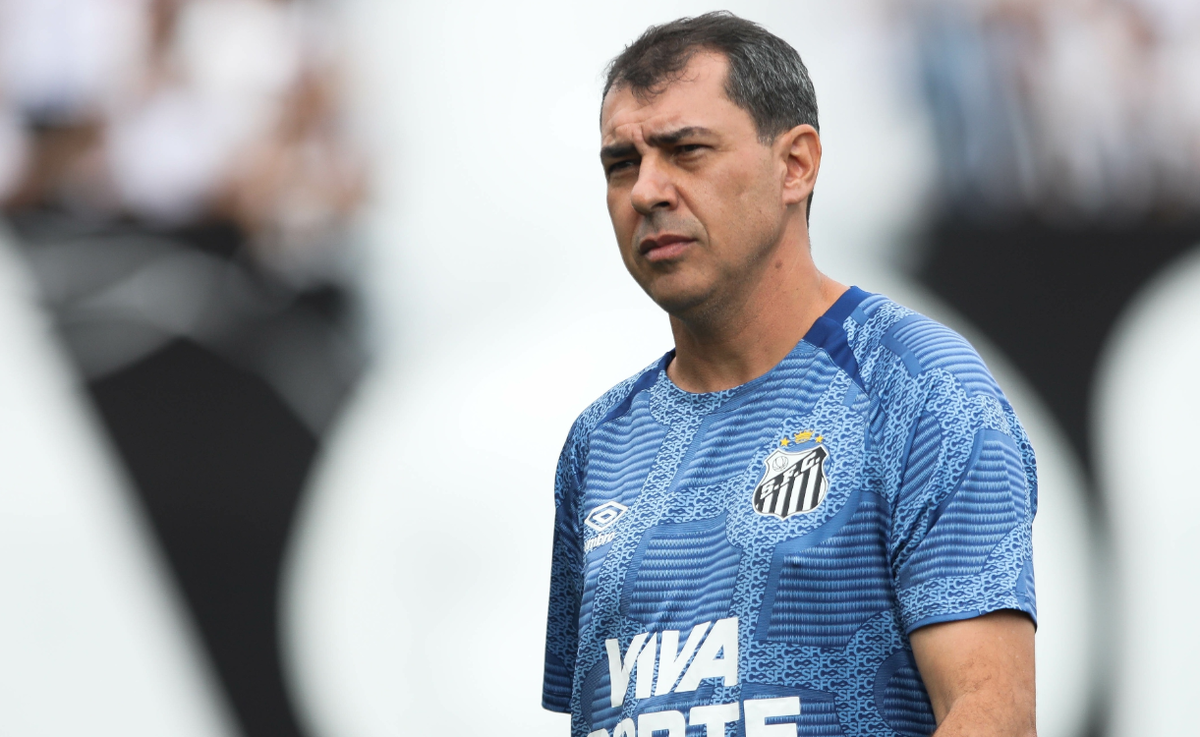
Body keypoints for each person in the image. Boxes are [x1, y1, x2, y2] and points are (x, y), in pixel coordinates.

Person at [542, 12, 1037, 737]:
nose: (646, 190)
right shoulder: (599, 441)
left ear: (796, 165)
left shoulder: (918, 386)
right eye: (622, 163)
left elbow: (993, 714)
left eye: (686, 150)